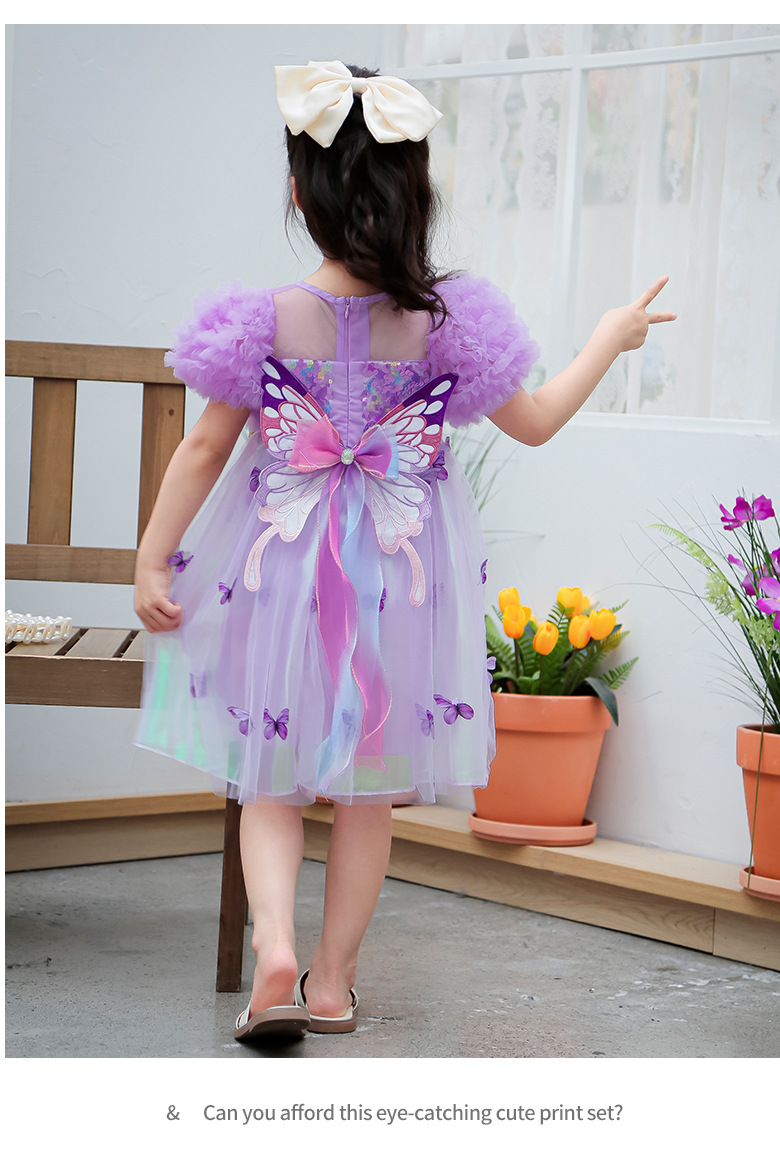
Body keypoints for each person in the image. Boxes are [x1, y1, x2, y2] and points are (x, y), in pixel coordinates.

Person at [134, 60, 676, 1043]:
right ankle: (333, 983)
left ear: (298, 192)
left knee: (268, 780)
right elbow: (537, 421)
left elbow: (203, 449)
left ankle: (274, 957)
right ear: (414, 191)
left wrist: (151, 558)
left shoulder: (260, 320)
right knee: (370, 790)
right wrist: (609, 336)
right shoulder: (440, 324)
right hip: (398, 580)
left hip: (277, 572)